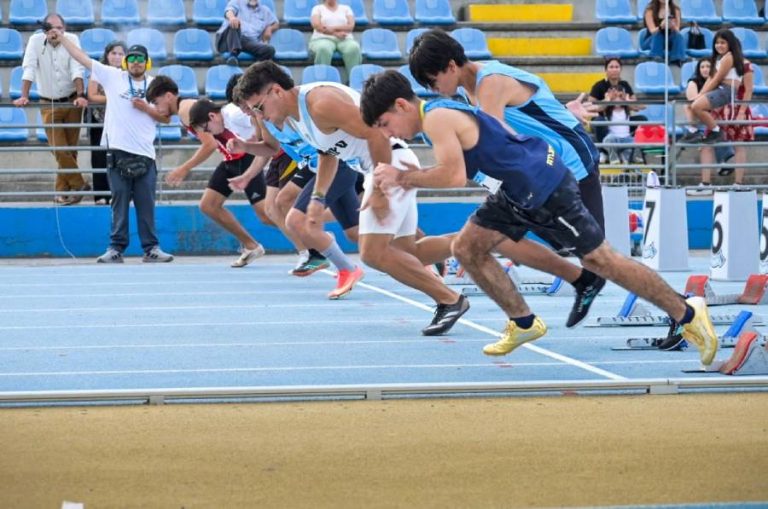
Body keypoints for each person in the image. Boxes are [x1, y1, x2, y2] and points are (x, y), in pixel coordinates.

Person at [362, 70, 719, 366]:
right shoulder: (440, 111)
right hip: (516, 189)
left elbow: (453, 177)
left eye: (385, 123)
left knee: (601, 260)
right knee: (467, 247)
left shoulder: (437, 118)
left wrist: (401, 177)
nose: (388, 134)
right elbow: (476, 152)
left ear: (401, 105)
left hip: (543, 185)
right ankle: (523, 321)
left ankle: (688, 312)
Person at [234, 61, 469, 335]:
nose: (259, 116)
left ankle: (449, 299)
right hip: (384, 166)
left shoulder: (321, 102)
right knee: (409, 251)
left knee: (373, 252)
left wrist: (379, 190)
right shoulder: (296, 117)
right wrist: (318, 197)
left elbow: (376, 133)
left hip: (390, 165)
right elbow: (327, 153)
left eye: (259, 107)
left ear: (276, 91)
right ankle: (476, 242)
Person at [408, 29, 607, 328]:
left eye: (432, 81)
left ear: (450, 66)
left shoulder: (490, 83)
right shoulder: (470, 91)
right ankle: (581, 283)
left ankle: (676, 312)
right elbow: (526, 113)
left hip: (570, 159)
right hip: (542, 170)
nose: (432, 89)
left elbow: (495, 142)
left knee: (598, 256)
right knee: (555, 243)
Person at [51, 34, 174, 263]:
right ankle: (116, 248)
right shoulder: (112, 76)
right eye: (132, 58)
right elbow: (81, 57)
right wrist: (63, 38)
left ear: (147, 62)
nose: (136, 62)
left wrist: (146, 109)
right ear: (126, 62)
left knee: (146, 205)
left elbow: (166, 118)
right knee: (119, 203)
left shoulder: (156, 85)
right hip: (117, 152)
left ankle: (151, 248)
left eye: (140, 59)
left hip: (145, 154)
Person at [146, 77, 270, 268]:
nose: (156, 108)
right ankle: (251, 246)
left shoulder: (187, 110)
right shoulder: (185, 109)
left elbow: (209, 144)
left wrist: (184, 168)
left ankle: (309, 234)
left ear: (169, 96)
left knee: (266, 214)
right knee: (209, 205)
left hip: (243, 158)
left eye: (156, 102)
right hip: (231, 159)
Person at [13, 13, 89, 205]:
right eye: (51, 28)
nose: (55, 32)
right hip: (48, 102)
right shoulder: (35, 41)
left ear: (64, 29)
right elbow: (29, 68)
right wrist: (24, 95)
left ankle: (61, 193)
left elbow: (77, 68)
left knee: (70, 150)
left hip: (72, 101)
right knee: (59, 148)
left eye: (59, 28)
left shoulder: (72, 39)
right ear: (44, 30)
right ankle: (79, 184)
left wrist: (81, 95)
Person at [683, 29, 748, 146]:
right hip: (720, 89)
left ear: (730, 43)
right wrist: (700, 94)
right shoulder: (721, 58)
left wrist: (701, 94)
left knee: (697, 106)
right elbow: (710, 78)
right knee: (690, 105)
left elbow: (717, 79)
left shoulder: (729, 57)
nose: (719, 45)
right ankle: (693, 131)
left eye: (723, 42)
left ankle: (716, 132)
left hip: (726, 90)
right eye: (717, 43)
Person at [683, 58, 737, 191]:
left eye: (708, 66)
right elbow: (692, 104)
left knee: (716, 131)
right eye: (702, 67)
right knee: (708, 142)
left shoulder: (719, 83)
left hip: (715, 118)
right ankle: (711, 177)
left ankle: (722, 163)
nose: (705, 69)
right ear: (698, 69)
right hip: (699, 121)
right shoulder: (693, 83)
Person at [87, 40, 127, 205]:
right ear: (107, 55)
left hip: (121, 121)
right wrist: (113, 99)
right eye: (113, 53)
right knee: (99, 157)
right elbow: (92, 95)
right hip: (99, 119)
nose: (117, 57)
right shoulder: (99, 70)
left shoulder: (128, 72)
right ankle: (100, 195)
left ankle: (117, 194)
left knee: (119, 158)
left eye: (121, 54)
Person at [588, 58, 646, 165]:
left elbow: (638, 106)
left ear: (620, 69)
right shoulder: (599, 85)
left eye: (617, 67)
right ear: (606, 70)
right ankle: (603, 151)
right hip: (605, 123)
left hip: (623, 122)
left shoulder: (625, 85)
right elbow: (590, 106)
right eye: (611, 67)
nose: (614, 69)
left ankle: (632, 152)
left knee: (642, 119)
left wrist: (626, 100)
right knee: (598, 121)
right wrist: (607, 101)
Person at [309, 0, 362, 80]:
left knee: (354, 48)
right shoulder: (317, 8)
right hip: (322, 38)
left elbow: (350, 26)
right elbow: (317, 25)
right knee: (323, 48)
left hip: (344, 38)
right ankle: (322, 80)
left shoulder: (346, 8)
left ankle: (354, 80)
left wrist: (331, 28)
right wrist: (335, 34)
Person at [216, 0, 278, 66]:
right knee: (235, 23)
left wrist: (270, 28)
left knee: (270, 50)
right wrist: (232, 18)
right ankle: (233, 54)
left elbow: (276, 23)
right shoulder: (237, 2)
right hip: (228, 39)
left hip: (247, 42)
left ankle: (254, 68)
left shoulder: (265, 10)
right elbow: (229, 11)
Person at [641, 0, 686, 66]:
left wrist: (672, 25)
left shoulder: (676, 10)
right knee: (658, 35)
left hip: (668, 39)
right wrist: (660, 27)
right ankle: (656, 57)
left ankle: (677, 58)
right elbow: (652, 31)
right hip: (651, 40)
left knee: (678, 36)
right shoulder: (650, 10)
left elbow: (677, 30)